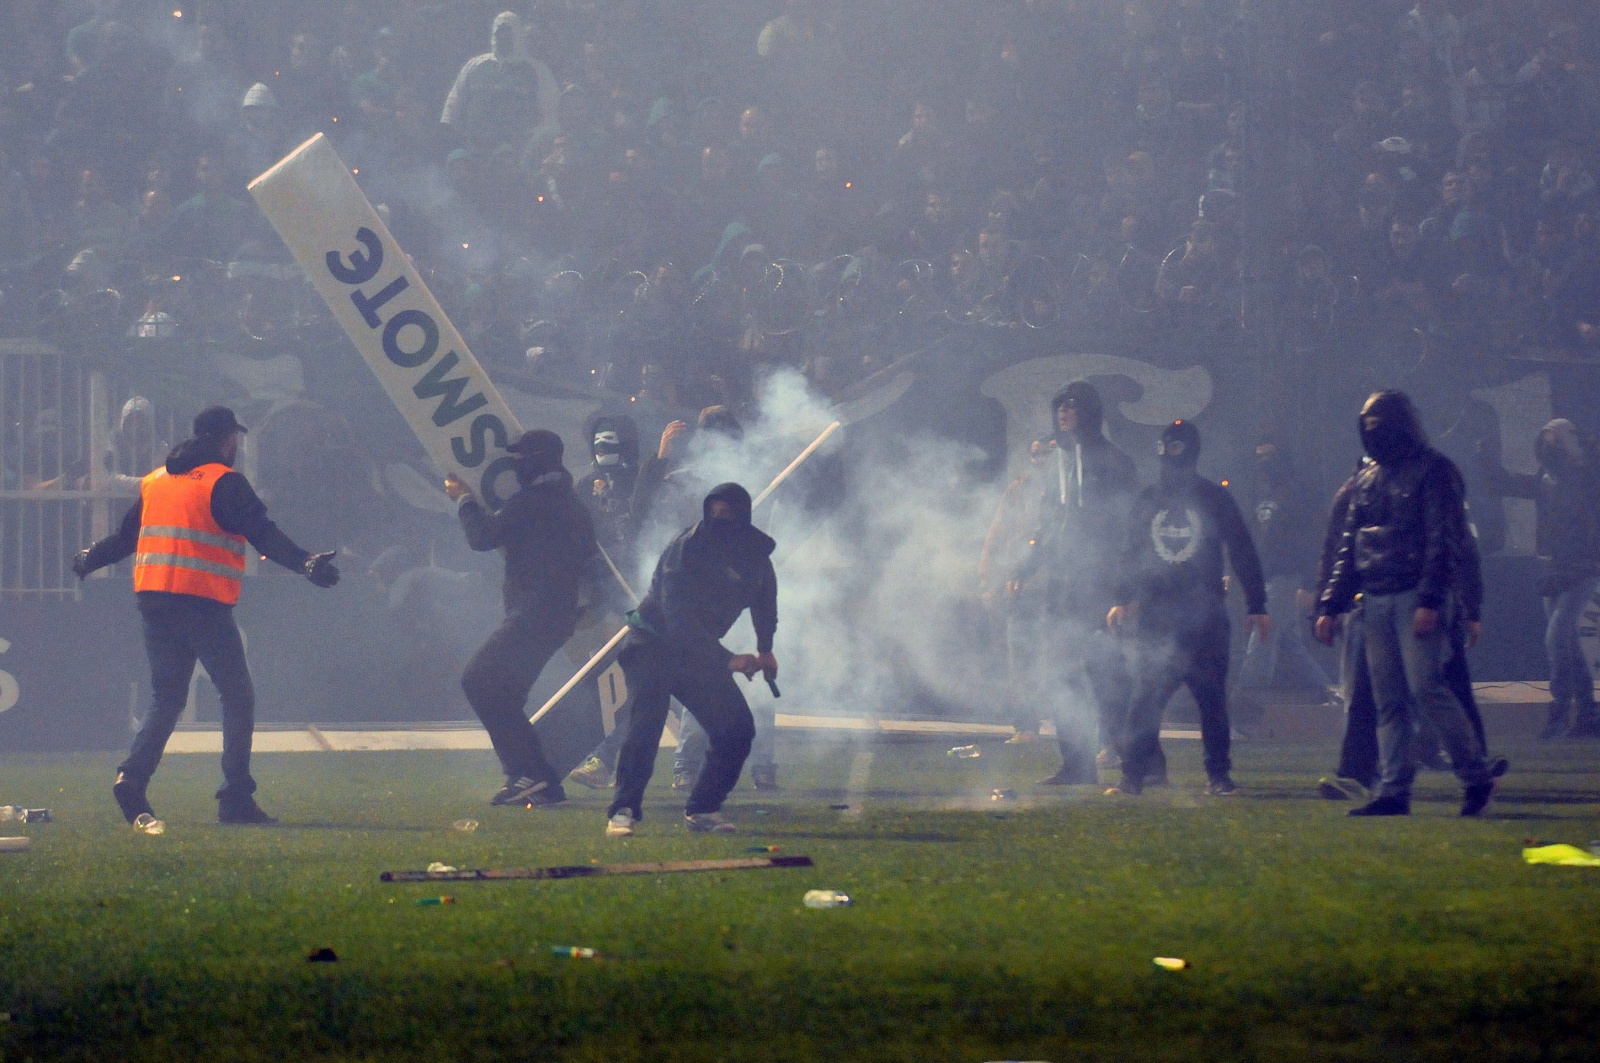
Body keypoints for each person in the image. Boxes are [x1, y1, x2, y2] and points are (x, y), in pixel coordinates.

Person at [72, 406, 341, 826]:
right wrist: (305, 562)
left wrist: (90, 557)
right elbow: (263, 534)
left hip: (154, 599)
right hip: (200, 602)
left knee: (167, 698)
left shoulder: (156, 480)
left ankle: (132, 777)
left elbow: (127, 538)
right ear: (226, 439)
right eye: (234, 438)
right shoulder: (225, 482)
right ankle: (235, 797)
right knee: (237, 696)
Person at [1316, 391, 1496, 817]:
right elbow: (1350, 544)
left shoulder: (1435, 472)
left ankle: (1475, 776)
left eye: (1378, 423)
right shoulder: (1366, 479)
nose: (1372, 432)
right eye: (1367, 424)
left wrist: (1431, 599)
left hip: (1415, 594)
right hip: (1376, 598)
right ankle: (1394, 791)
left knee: (1426, 689)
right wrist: (1330, 603)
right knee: (1390, 700)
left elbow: (1444, 538)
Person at [604, 483, 777, 837]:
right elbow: (678, 619)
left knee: (736, 729)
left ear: (742, 518)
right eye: (711, 513)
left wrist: (765, 648)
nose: (717, 521)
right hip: (653, 645)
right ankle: (623, 809)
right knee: (645, 723)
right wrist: (728, 660)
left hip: (697, 652)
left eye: (726, 515)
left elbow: (765, 601)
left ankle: (703, 808)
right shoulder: (685, 549)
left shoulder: (755, 555)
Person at [1107, 420, 1268, 796]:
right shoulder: (1148, 500)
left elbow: (1242, 549)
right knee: (1146, 698)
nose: (1171, 461)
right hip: (1156, 616)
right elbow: (1130, 552)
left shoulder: (1214, 498)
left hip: (1205, 616)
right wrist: (1122, 597)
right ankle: (1131, 776)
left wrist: (1257, 602)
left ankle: (1218, 775)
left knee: (1211, 701)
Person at [446, 429, 599, 807]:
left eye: (521, 457)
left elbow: (481, 537)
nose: (515, 465)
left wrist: (464, 499)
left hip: (533, 613)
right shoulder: (572, 503)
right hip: (557, 615)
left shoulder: (532, 502)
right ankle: (538, 780)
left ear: (536, 458)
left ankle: (528, 773)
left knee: (479, 680)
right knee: (504, 692)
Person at [1008, 382, 1138, 784]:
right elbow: (1048, 525)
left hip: (1100, 584)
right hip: (1063, 585)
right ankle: (1077, 765)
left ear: (1089, 411)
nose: (1063, 413)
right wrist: (1025, 566)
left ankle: (1127, 754)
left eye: (1072, 406)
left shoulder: (1114, 461)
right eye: (1059, 406)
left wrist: (1124, 590)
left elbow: (1129, 528)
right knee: (1061, 671)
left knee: (1106, 672)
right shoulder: (1057, 465)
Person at [1479, 419, 1600, 739]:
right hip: (1553, 573)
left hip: (1581, 571)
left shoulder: (1586, 479)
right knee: (1568, 646)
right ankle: (1588, 715)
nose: (1549, 445)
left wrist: (1585, 443)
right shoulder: (1545, 480)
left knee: (1557, 638)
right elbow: (1504, 483)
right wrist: (1487, 459)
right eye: (1545, 439)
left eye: (1556, 440)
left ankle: (1558, 717)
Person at [1236, 438, 1332, 695]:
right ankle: (1326, 690)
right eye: (1259, 457)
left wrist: (1308, 581)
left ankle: (1248, 699)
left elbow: (1313, 537)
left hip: (1283, 577)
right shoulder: (1262, 493)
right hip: (1266, 578)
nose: (1263, 464)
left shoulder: (1298, 492)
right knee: (1291, 644)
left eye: (1269, 457)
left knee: (1262, 639)